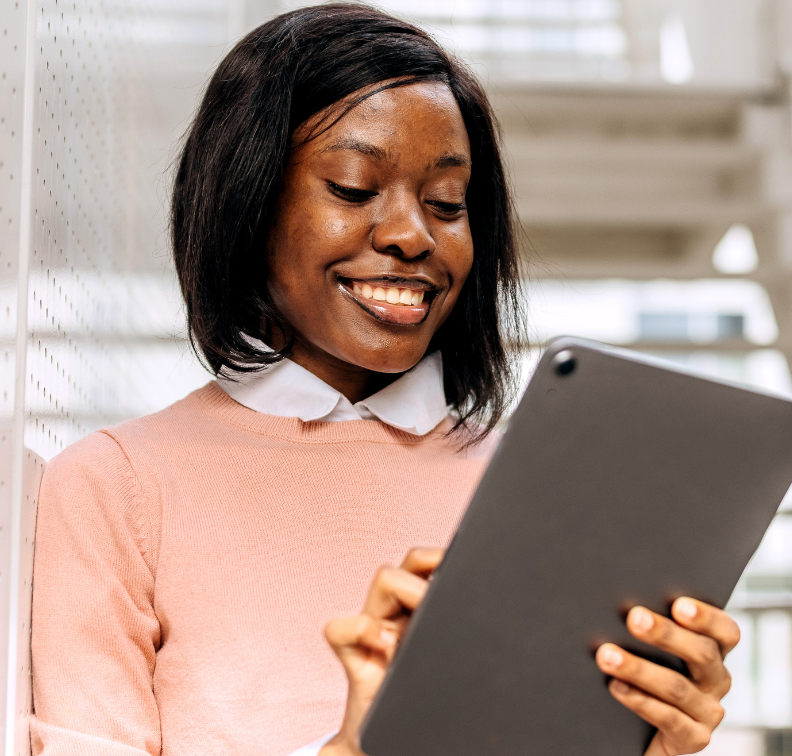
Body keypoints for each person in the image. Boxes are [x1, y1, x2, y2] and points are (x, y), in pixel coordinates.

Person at [30, 5, 739, 756]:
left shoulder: (548, 495)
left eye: (445, 204)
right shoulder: (116, 487)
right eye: (354, 188)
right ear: (249, 202)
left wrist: (655, 745)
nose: (412, 235)